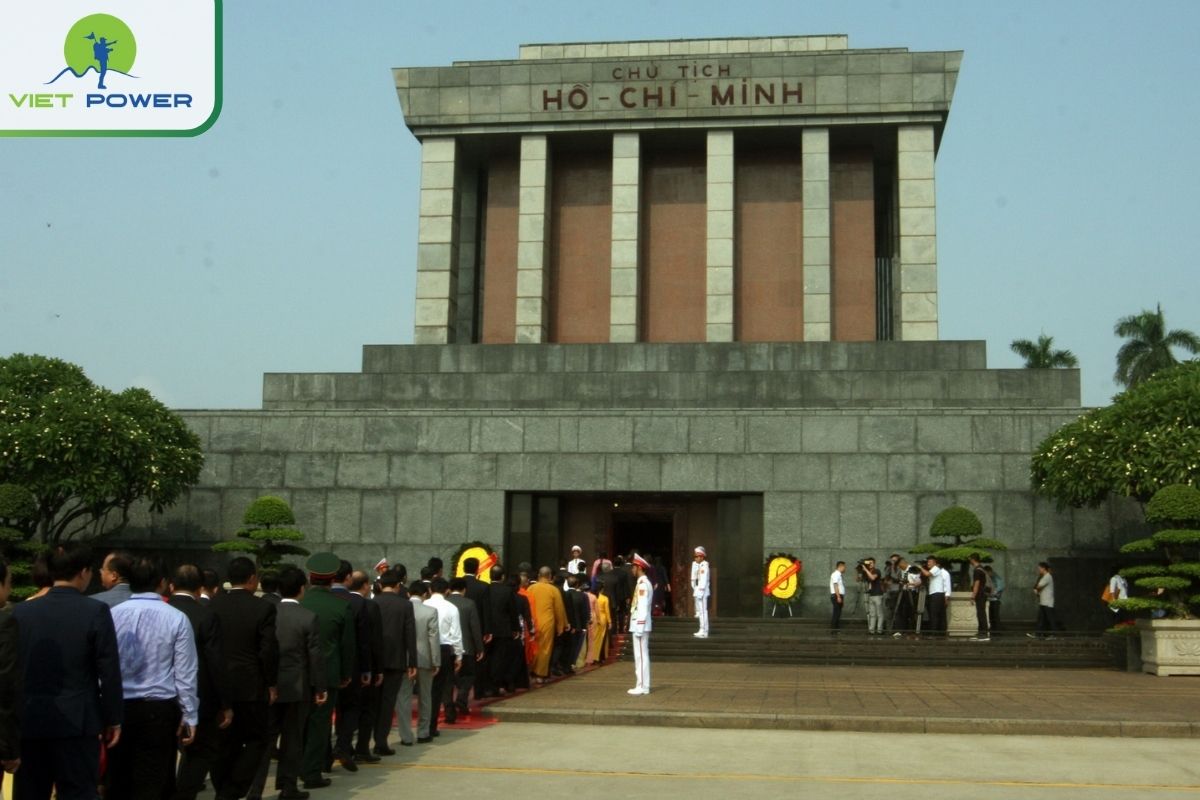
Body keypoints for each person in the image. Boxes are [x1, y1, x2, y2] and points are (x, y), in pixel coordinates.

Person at [12, 544, 123, 800]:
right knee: (78, 791)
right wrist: (113, 717)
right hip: (78, 722)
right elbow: (108, 670)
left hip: (30, 719)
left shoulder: (21, 612)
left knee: (30, 791)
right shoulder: (94, 611)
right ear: (83, 572)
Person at [106, 556, 199, 800]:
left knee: (118, 781)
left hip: (118, 709)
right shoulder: (176, 617)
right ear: (162, 582)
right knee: (155, 781)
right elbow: (185, 673)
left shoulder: (111, 616)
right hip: (158, 710)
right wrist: (190, 714)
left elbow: (102, 666)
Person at [249, 565, 326, 800]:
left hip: (269, 685)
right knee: (293, 739)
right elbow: (315, 656)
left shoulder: (267, 612)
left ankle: (255, 789)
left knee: (266, 740)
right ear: (302, 589)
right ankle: (288, 786)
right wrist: (320, 687)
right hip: (297, 685)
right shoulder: (308, 617)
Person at [208, 557, 279, 800]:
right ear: (252, 579)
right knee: (257, 740)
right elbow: (267, 650)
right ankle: (234, 789)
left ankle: (223, 788)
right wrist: (271, 683)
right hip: (251, 686)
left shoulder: (213, 605)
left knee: (222, 743)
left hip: (218, 685)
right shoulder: (263, 608)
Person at [169, 565, 233, 800]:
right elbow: (215, 662)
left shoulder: (164, 610)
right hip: (200, 695)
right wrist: (225, 702)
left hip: (159, 697)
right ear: (199, 589)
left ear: (171, 585)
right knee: (199, 752)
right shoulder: (205, 615)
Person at [299, 552, 355, 791]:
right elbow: (347, 646)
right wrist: (345, 674)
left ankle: (293, 769)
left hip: (297, 675)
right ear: (333, 578)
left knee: (297, 724)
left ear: (311, 577)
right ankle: (311, 772)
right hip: (328, 674)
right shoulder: (341, 607)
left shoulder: (299, 603)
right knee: (320, 725)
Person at [329, 563, 372, 772]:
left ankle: (324, 754)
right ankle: (343, 746)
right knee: (350, 708)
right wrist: (366, 669)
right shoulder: (358, 603)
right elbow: (363, 640)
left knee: (326, 710)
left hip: (325, 664)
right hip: (351, 665)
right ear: (347, 577)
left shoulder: (321, 598)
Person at [372, 568, 416, 754]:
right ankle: (381, 741)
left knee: (373, 702)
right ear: (398, 586)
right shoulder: (405, 605)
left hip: (374, 661)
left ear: (380, 586)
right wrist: (412, 662)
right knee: (388, 702)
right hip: (396, 660)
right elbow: (410, 635)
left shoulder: (373, 603)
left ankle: (367, 741)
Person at [424, 577, 462, 736]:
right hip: (444, 649)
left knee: (424, 690)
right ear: (447, 591)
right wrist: (459, 655)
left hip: (424, 649)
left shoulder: (423, 605)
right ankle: (431, 727)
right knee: (439, 689)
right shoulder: (451, 607)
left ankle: (423, 726)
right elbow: (456, 634)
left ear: (430, 590)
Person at [406, 581, 440, 745]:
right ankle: (423, 732)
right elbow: (433, 638)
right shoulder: (430, 611)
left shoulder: (401, 608)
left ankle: (405, 735)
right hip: (425, 658)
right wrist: (436, 661)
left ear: (408, 593)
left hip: (404, 659)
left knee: (403, 698)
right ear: (425, 594)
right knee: (425, 697)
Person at [446, 578, 484, 719]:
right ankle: (462, 699)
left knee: (449, 679)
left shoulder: (445, 603)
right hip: (466, 647)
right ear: (464, 589)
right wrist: (479, 647)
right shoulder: (469, 604)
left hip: (447, 647)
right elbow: (474, 627)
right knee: (468, 675)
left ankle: (450, 707)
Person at [526, 566, 568, 684]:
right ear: (550, 577)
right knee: (545, 648)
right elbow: (559, 609)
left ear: (539, 576)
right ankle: (540, 674)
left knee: (533, 647)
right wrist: (562, 625)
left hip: (533, 621)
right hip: (547, 622)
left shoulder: (531, 588)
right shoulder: (553, 589)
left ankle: (531, 672)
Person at [0, 559, 21, 784]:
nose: (10, 589)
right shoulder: (5, 623)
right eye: (8, 582)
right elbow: (6, 687)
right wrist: (10, 749)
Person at [627, 554, 653, 695]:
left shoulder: (643, 584)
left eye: (633, 566)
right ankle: (642, 684)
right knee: (640, 655)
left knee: (641, 656)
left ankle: (642, 685)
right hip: (639, 623)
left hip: (640, 624)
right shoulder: (642, 583)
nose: (632, 569)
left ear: (639, 567)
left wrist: (640, 626)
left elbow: (642, 607)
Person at [1029, 561, 1062, 639]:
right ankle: (1039, 634)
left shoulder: (1047, 576)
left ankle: (1054, 635)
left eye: (1039, 568)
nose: (1038, 570)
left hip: (1047, 602)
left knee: (1051, 619)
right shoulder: (1044, 576)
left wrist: (1036, 590)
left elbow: (1038, 587)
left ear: (1044, 568)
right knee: (1041, 619)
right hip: (1043, 602)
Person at [919, 556, 950, 635]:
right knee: (940, 614)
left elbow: (927, 574)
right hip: (938, 594)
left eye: (930, 562)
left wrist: (920, 568)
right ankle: (941, 632)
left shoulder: (936, 568)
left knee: (934, 614)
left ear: (935, 563)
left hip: (936, 594)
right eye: (927, 562)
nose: (928, 563)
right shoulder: (936, 570)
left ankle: (934, 633)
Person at [968, 554, 991, 641]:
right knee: (981, 613)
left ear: (973, 559)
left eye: (970, 559)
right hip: (983, 594)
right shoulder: (982, 568)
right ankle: (981, 632)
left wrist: (973, 596)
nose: (969, 561)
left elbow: (976, 584)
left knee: (981, 613)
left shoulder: (977, 570)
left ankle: (984, 634)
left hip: (980, 594)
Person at [690, 546, 711, 638]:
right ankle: (702, 629)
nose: (695, 558)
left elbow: (703, 581)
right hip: (699, 591)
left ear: (702, 557)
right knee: (701, 612)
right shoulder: (699, 566)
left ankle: (704, 630)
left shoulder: (704, 566)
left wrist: (700, 592)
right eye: (695, 557)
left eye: (697, 556)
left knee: (703, 612)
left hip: (702, 592)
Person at [589, 579, 611, 664]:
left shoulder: (592, 597)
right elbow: (607, 611)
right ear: (602, 589)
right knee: (601, 638)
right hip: (602, 619)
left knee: (593, 638)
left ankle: (592, 656)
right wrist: (610, 621)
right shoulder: (605, 598)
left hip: (594, 618)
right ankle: (598, 657)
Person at [861, 558, 884, 635]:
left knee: (879, 614)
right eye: (869, 563)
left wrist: (866, 570)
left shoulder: (877, 571)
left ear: (874, 563)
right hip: (871, 595)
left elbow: (873, 578)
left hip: (878, 594)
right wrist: (860, 570)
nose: (870, 564)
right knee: (872, 614)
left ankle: (879, 630)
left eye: (872, 563)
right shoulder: (867, 572)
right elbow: (858, 579)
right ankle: (871, 630)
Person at [984, 565, 1004, 634]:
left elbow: (1001, 586)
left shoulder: (996, 578)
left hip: (995, 599)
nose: (986, 575)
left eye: (987, 573)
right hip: (990, 599)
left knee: (995, 616)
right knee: (991, 616)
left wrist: (993, 592)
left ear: (990, 571)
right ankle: (993, 630)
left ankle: (998, 631)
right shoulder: (988, 578)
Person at [829, 562, 846, 632]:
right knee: (836, 612)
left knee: (838, 612)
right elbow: (835, 585)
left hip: (838, 595)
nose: (845, 568)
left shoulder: (839, 575)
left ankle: (836, 628)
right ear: (840, 566)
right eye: (844, 567)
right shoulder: (836, 574)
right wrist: (838, 597)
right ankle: (834, 629)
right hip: (836, 595)